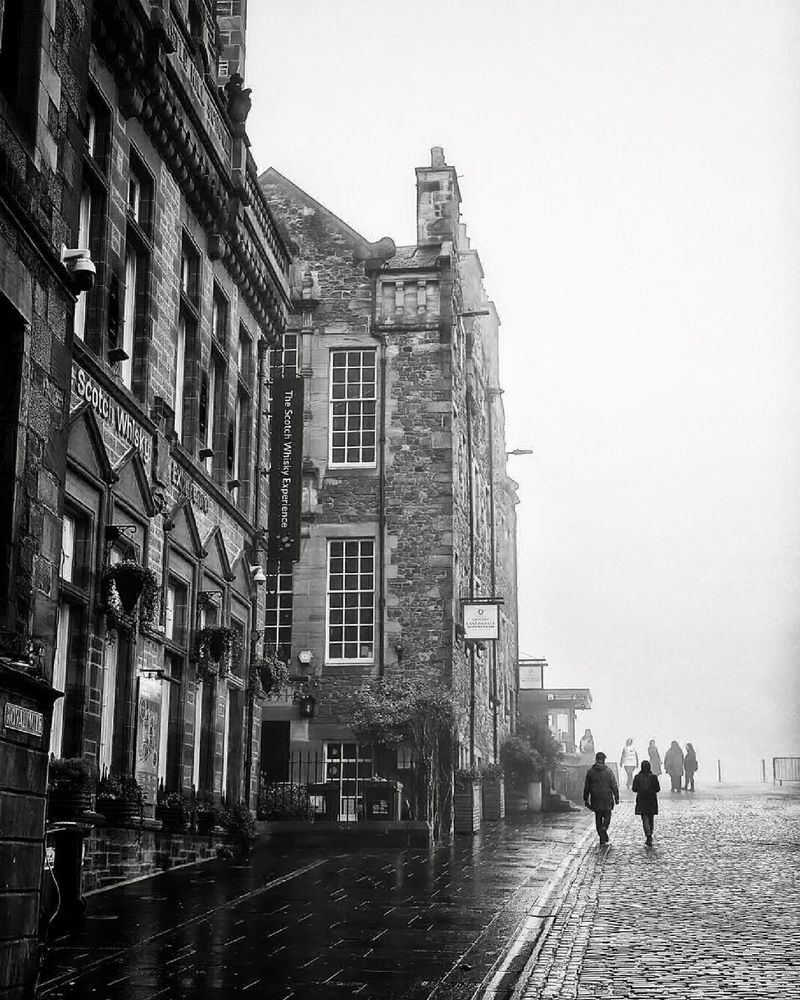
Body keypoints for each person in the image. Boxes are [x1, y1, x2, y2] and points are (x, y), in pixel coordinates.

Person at [583, 751, 620, 845]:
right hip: (607, 797)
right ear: (603, 760)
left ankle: (602, 836)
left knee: (598, 818)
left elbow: (587, 786)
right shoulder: (608, 771)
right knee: (607, 816)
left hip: (595, 797)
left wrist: (585, 798)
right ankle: (604, 829)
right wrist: (616, 796)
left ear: (596, 759)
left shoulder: (590, 772)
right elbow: (614, 784)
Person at [631, 759, 660, 845]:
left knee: (645, 818)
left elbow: (634, 789)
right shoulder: (654, 777)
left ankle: (648, 835)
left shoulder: (637, 777)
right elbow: (658, 789)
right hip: (652, 800)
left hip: (641, 800)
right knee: (651, 818)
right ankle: (650, 832)